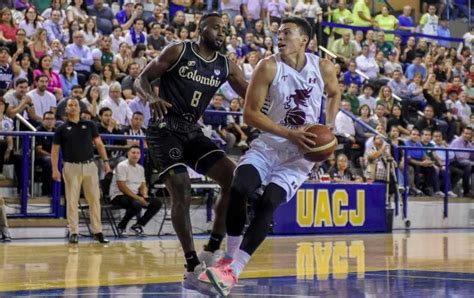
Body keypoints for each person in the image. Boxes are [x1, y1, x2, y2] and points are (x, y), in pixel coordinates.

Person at [199, 16, 341, 296]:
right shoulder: (268, 66)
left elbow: (335, 93)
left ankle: (234, 270)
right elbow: (250, 115)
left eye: (287, 32)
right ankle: (228, 259)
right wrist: (290, 134)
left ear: (304, 40)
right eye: (278, 32)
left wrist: (330, 125)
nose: (280, 36)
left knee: (268, 203)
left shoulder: (323, 66)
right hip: (270, 144)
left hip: (300, 156)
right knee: (239, 186)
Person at [134, 13, 248, 292]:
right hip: (164, 128)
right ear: (201, 28)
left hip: (193, 129)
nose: (222, 33)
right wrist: (151, 97)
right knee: (182, 190)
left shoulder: (226, 65)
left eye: (226, 29)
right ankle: (191, 265)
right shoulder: (178, 50)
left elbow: (250, 93)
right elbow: (141, 79)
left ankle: (211, 249)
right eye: (217, 27)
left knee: (235, 181)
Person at [51, 98, 111, 244]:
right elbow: (55, 151)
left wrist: (106, 161)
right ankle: (73, 232)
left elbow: (99, 144)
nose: (72, 107)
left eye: (75, 105)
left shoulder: (90, 125)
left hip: (90, 166)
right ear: (65, 109)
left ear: (80, 108)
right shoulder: (61, 128)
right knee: (72, 201)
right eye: (69, 105)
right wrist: (55, 169)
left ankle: (98, 232)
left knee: (94, 200)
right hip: (71, 167)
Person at [108, 145, 162, 237]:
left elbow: (142, 185)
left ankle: (138, 225)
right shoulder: (122, 166)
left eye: (138, 153)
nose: (135, 155)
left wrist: (144, 194)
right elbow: (122, 187)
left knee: (156, 203)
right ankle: (121, 226)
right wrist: (138, 198)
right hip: (118, 195)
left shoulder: (140, 168)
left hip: (133, 195)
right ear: (128, 154)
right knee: (136, 204)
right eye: (133, 153)